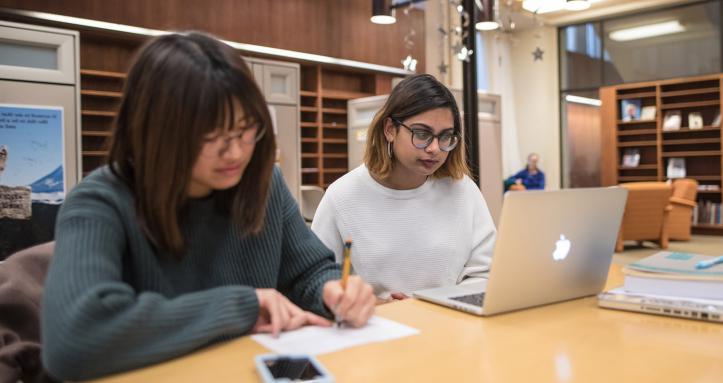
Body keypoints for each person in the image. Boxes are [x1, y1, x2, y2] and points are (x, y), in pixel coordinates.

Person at [41, 32, 375, 381]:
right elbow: (73, 339)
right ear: (157, 132)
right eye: (210, 137)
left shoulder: (264, 184)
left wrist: (335, 290)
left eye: (246, 130)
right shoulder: (101, 201)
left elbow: (308, 271)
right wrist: (240, 306)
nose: (234, 153)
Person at [311, 74, 495, 302]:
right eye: (422, 134)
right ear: (390, 129)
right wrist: (375, 304)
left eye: (446, 136)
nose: (435, 148)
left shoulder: (463, 191)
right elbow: (316, 281)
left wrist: (429, 305)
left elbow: (485, 275)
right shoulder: (343, 196)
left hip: (449, 327)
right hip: (374, 328)